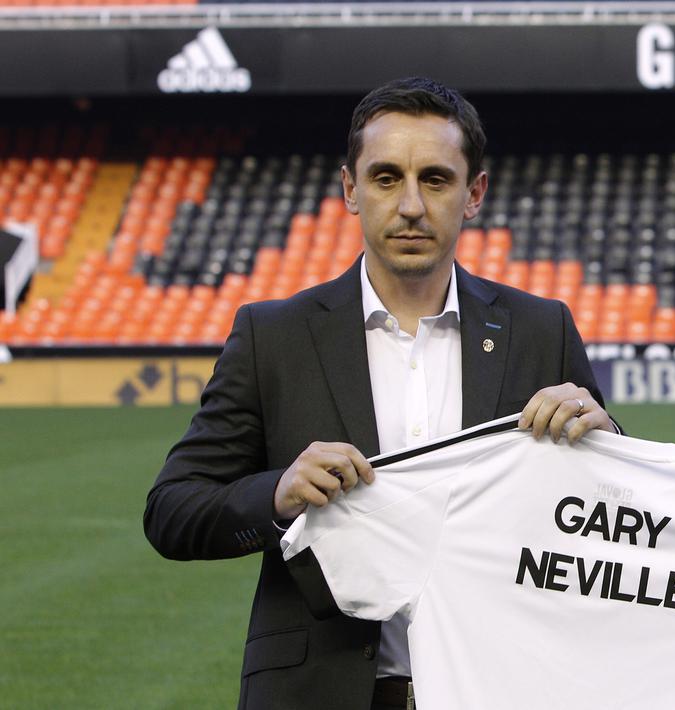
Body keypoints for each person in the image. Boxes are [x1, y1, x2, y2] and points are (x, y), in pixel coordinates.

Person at [144, 77, 617, 710]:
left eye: (437, 180)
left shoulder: (541, 329)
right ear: (351, 189)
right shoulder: (274, 335)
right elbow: (173, 509)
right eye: (387, 178)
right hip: (319, 692)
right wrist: (278, 494)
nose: (412, 205)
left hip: (502, 687)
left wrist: (608, 440)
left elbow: (615, 519)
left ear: (474, 194)